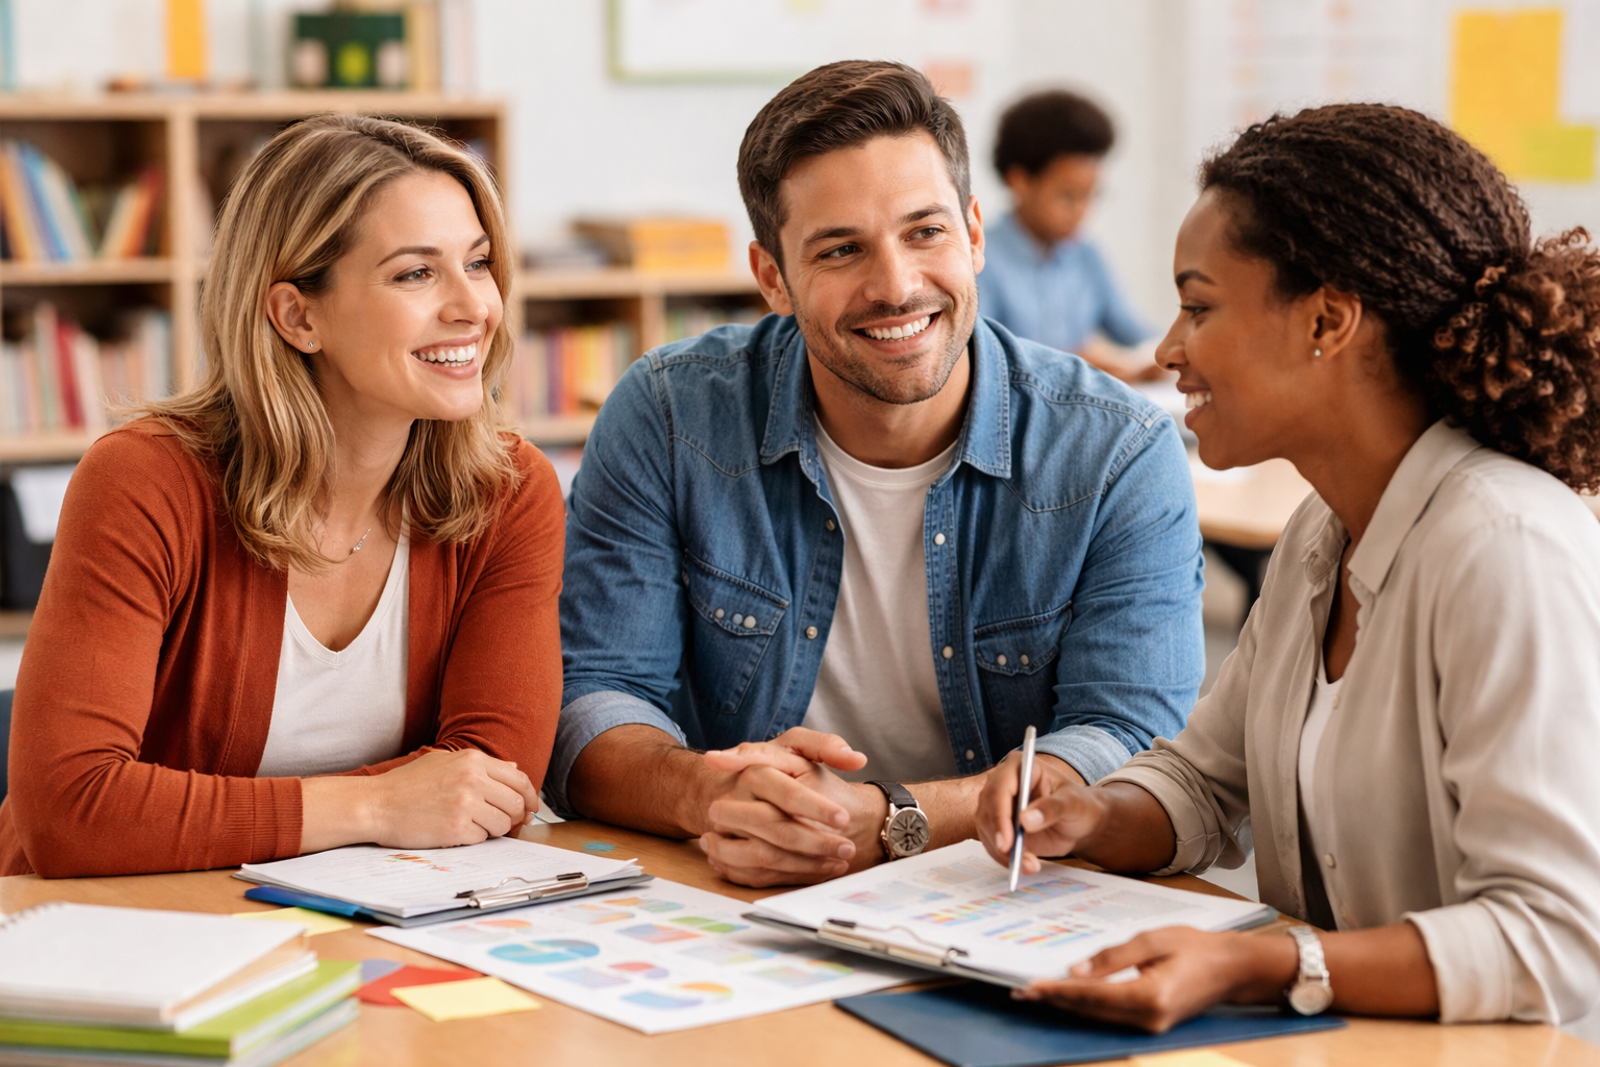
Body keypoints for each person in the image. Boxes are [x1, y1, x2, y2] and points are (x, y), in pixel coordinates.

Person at [976, 103, 1600, 1032]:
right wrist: (1090, 814)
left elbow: (1554, 939)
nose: (1166, 351)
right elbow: (1201, 780)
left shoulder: (1502, 548)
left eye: (1200, 306)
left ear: (1328, 320)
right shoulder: (1322, 533)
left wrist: (1253, 962)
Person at [553, 61, 1204, 889]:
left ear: (973, 235)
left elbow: (1133, 738)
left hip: (1005, 903)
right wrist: (710, 795)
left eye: (924, 232)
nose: (896, 286)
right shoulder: (669, 415)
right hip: (736, 897)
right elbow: (595, 700)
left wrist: (896, 819)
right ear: (772, 278)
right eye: (841, 249)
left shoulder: (1117, 449)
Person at [0, 115, 564, 877]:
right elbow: (73, 811)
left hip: (361, 921)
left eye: (479, 262)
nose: (475, 308)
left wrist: (206, 813)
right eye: (415, 273)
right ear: (298, 315)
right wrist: (378, 806)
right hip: (113, 929)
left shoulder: (508, 491)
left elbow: (493, 783)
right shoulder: (144, 482)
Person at [977, 90, 1160, 382]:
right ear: (1019, 181)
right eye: (1068, 196)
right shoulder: (980, 260)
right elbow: (981, 359)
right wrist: (1081, 364)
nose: (1082, 211)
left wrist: (1163, 357)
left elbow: (1134, 333)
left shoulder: (1086, 255)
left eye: (1091, 196)